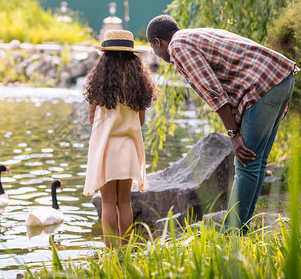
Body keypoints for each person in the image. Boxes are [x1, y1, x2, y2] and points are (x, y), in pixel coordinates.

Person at [146, 14, 299, 233]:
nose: (158, 56)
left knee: (246, 163)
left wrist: (234, 135)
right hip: (281, 77)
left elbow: (213, 92)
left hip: (263, 85)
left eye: (154, 50)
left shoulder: (178, 47)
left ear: (157, 42)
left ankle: (231, 232)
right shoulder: (193, 35)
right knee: (257, 161)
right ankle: (241, 227)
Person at [83, 29, 158, 247]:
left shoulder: (98, 82)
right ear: (131, 55)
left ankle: (110, 252)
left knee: (108, 202)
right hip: (128, 149)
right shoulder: (140, 82)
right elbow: (141, 121)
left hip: (105, 149)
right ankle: (125, 250)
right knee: (124, 202)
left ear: (104, 56)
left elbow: (91, 120)